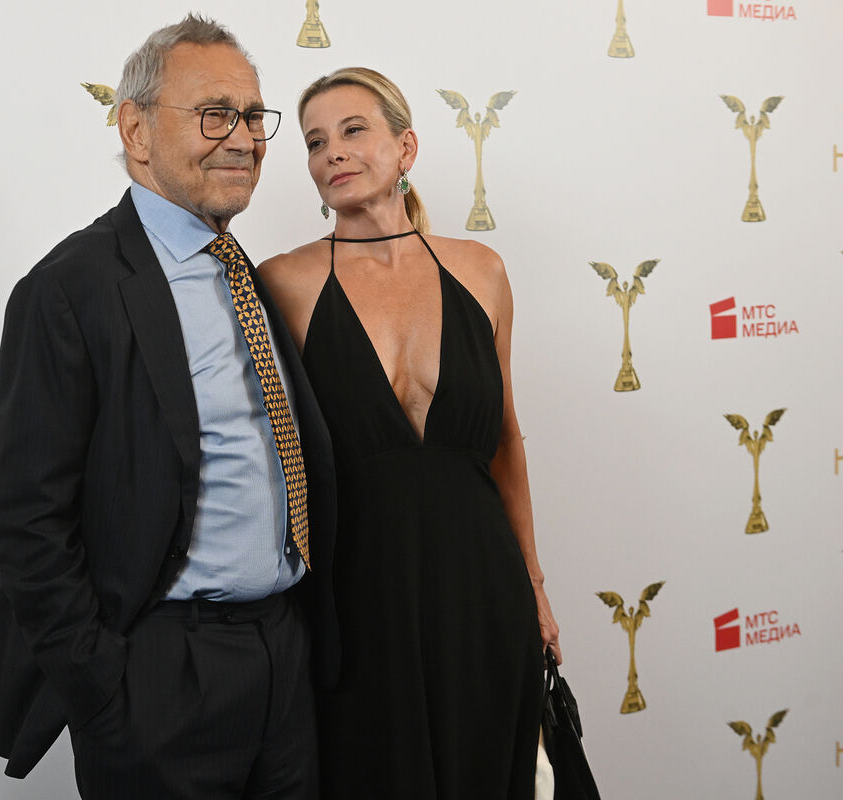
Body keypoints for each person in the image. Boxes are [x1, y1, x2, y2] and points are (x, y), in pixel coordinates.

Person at [0, 15, 337, 800]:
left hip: (285, 659)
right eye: (215, 114)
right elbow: (28, 522)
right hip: (159, 677)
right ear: (135, 130)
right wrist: (106, 689)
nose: (244, 139)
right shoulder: (69, 288)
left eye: (253, 116)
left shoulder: (244, 273)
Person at [260, 67, 560, 799]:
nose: (332, 151)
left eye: (353, 130)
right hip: (358, 596)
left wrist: (534, 587)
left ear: (406, 148)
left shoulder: (481, 270)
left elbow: (506, 443)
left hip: (482, 585)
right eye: (315, 142)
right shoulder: (283, 282)